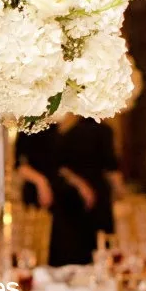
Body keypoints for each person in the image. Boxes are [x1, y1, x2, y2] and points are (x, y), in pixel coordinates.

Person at [15, 114, 125, 266]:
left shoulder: (58, 127)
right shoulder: (31, 125)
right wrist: (42, 183)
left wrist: (79, 185)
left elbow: (62, 166)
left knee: (81, 242)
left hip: (65, 192)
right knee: (51, 242)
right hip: (44, 194)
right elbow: (19, 165)